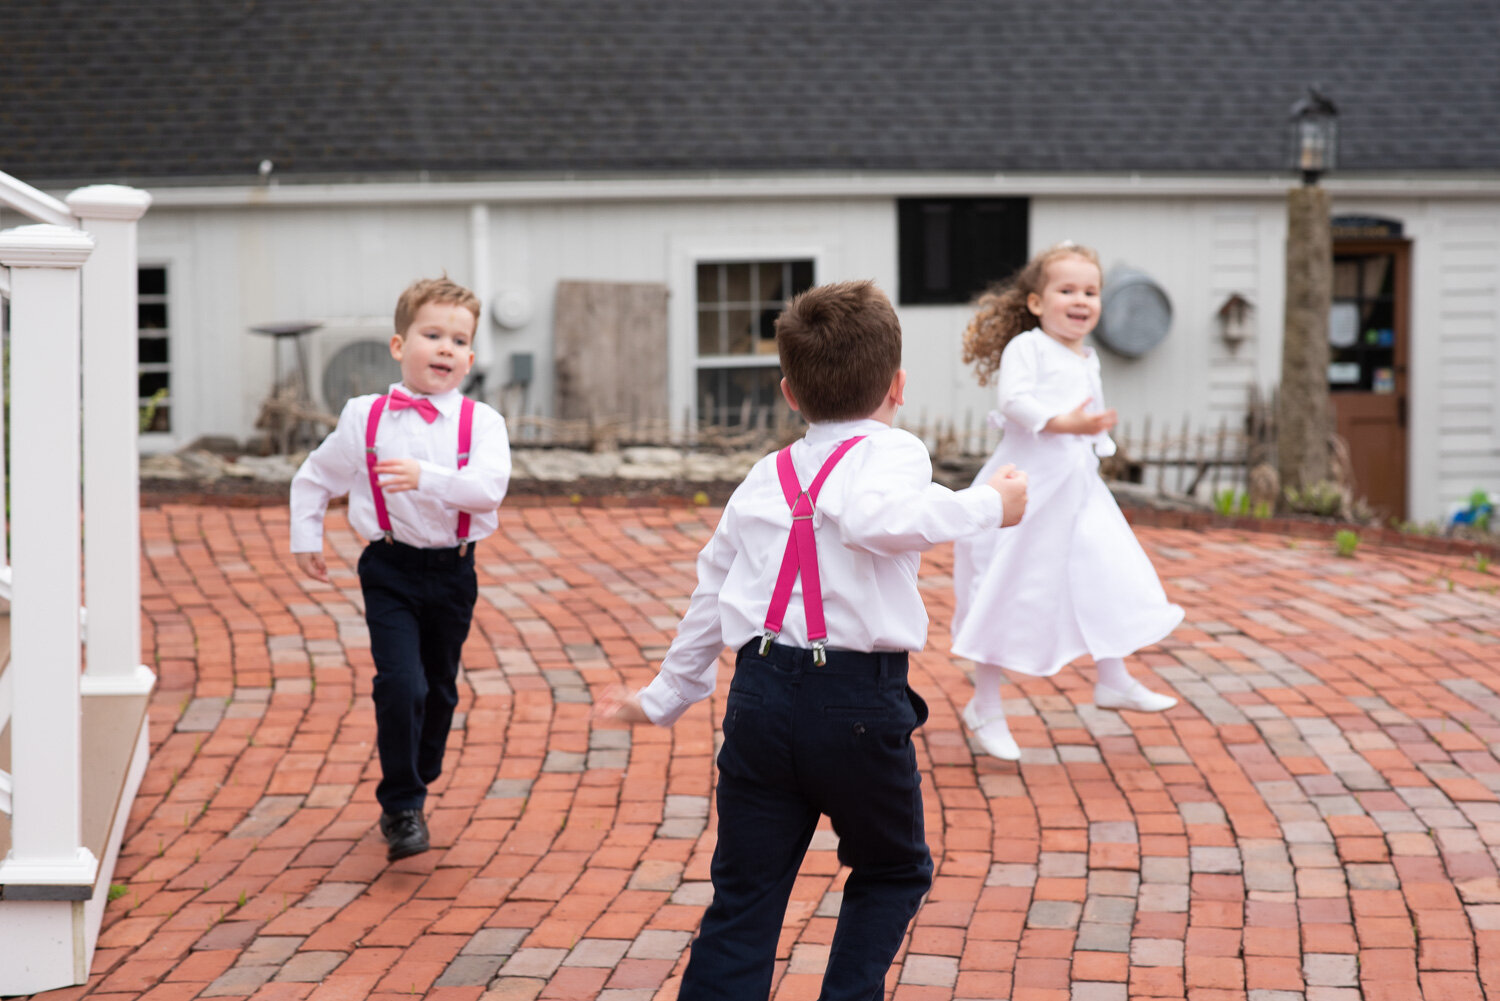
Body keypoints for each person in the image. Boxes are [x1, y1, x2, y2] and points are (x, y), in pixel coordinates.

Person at [595, 279, 1027, 1001]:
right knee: (893, 868)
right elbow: (869, 518)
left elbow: (711, 592)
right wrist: (992, 505)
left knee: (745, 896)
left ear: (789, 392)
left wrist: (664, 696)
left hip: (759, 697)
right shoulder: (892, 452)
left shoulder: (766, 474)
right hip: (855, 702)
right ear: (898, 385)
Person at [290, 276, 511, 860]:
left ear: (469, 356)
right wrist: (306, 535)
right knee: (400, 684)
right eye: (431, 334)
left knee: (438, 688)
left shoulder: (481, 422)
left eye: (457, 340)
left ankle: (419, 770)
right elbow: (316, 477)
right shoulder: (365, 418)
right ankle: (402, 805)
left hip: (453, 572)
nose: (444, 347)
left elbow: (488, 490)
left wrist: (427, 476)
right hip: (387, 566)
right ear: (398, 345)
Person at [950, 242, 1183, 762]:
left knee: (1107, 572)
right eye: (1067, 290)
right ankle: (985, 705)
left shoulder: (1087, 356)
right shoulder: (1027, 348)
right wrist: (1067, 424)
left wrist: (1095, 437)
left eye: (1091, 291)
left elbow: (1090, 418)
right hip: (1024, 492)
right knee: (1007, 592)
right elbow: (1013, 401)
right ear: (1036, 302)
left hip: (1077, 491)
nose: (1081, 300)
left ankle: (1113, 677)